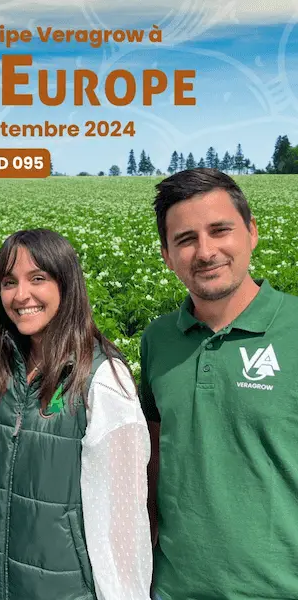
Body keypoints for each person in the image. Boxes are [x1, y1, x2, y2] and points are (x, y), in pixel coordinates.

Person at [141, 168, 298, 600]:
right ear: (167, 255)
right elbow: (154, 459)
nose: (205, 251)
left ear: (252, 232)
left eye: (220, 230)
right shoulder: (157, 340)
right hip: (173, 589)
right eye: (186, 239)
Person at [0, 229, 152, 600]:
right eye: (9, 282)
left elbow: (123, 519)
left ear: (66, 284)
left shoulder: (102, 378)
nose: (21, 295)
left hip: (65, 589)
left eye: (37, 278)